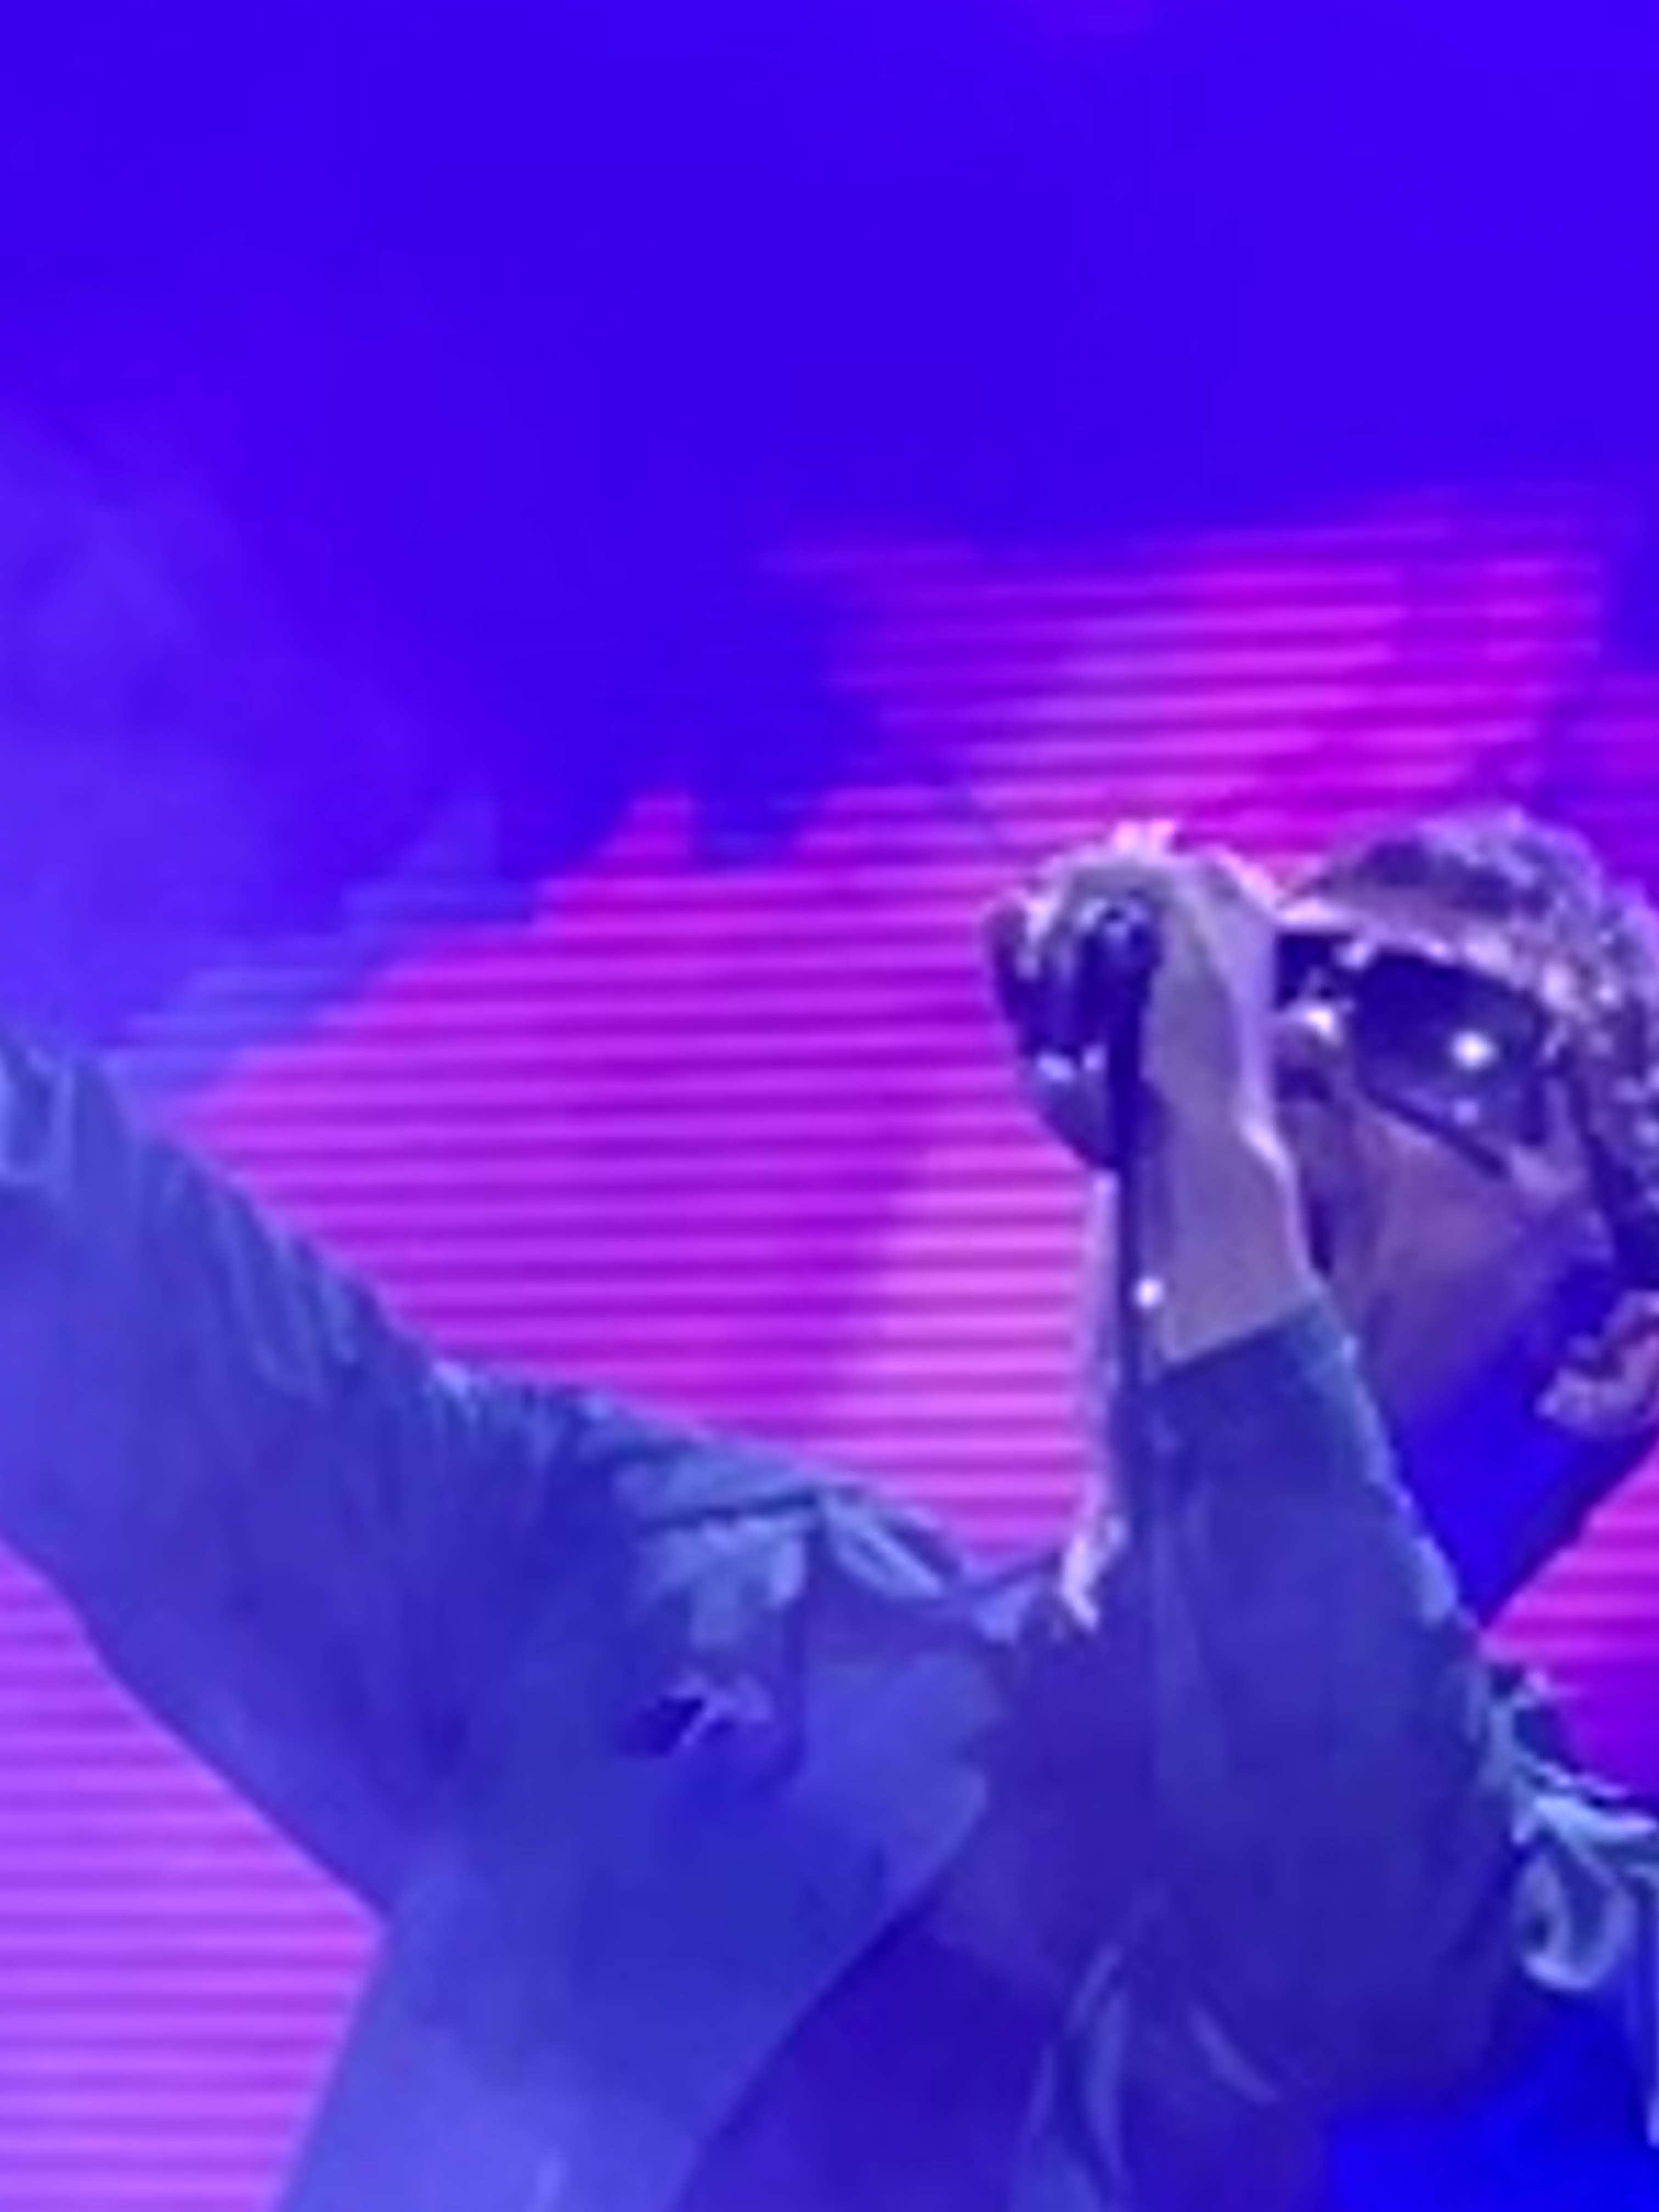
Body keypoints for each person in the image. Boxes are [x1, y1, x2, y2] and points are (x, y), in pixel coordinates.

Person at [3, 806, 1659, 2211]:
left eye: (1441, 1041)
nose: (1285, 1046)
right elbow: (138, 1322)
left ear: (1610, 1347)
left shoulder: (1584, 1958)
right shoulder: (690, 1600)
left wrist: (1214, 1156)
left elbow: (1357, 1927)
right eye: (1279, 982)